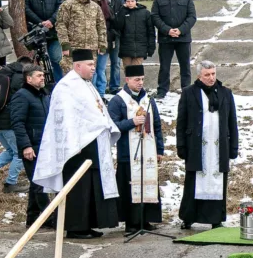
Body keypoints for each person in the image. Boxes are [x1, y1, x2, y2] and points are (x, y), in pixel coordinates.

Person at [33, 50, 121, 239]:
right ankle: (75, 227)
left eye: (93, 64)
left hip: (93, 144)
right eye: (90, 64)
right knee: (78, 188)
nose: (93, 68)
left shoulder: (87, 84)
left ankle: (88, 224)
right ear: (77, 66)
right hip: (76, 149)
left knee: (92, 186)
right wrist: (74, 142)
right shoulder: (66, 86)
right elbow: (64, 119)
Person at [176, 62, 239, 230]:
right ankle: (189, 217)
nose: (211, 78)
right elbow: (181, 121)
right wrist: (181, 145)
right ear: (199, 76)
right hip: (197, 146)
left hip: (218, 146)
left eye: (213, 74)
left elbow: (232, 121)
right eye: (207, 75)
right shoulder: (189, 93)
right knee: (194, 181)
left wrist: (233, 147)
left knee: (217, 180)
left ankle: (216, 218)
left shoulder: (225, 93)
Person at [107, 65, 163, 234]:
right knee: (129, 188)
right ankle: (131, 222)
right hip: (128, 153)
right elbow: (112, 126)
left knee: (147, 185)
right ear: (127, 80)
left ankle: (146, 219)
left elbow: (157, 125)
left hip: (148, 151)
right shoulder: (118, 100)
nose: (140, 83)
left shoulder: (148, 100)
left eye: (142, 79)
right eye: (137, 79)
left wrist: (159, 149)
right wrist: (132, 122)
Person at [8, 64, 52, 229]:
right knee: (39, 182)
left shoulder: (43, 95)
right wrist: (26, 146)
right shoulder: (22, 96)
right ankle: (49, 217)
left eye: (43, 75)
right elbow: (17, 123)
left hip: (44, 144)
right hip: (32, 146)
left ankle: (32, 219)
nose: (43, 78)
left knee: (36, 181)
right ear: (29, 78)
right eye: (39, 76)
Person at [151, 0, 196, 98]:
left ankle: (186, 91)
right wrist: (167, 30)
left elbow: (192, 17)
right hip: (165, 38)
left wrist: (180, 30)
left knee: (185, 66)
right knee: (164, 66)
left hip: (183, 38)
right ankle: (162, 91)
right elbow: (155, 17)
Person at [24, 0, 64, 83]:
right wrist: (40, 22)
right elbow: (26, 9)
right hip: (36, 33)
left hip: (53, 32)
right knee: (38, 62)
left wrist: (51, 21)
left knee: (56, 59)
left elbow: (60, 8)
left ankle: (58, 84)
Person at [56, 0, 106, 65]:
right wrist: (65, 44)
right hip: (73, 47)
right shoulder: (67, 5)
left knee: (89, 72)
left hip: (91, 48)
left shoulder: (95, 7)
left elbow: (101, 26)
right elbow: (61, 25)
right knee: (71, 71)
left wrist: (102, 45)